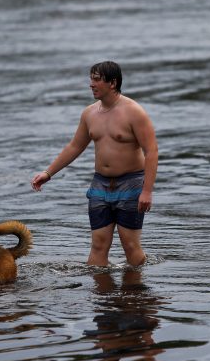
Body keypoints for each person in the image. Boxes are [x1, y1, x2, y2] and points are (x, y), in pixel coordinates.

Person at [31, 61, 158, 267]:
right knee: (98, 246)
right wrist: (48, 172)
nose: (91, 84)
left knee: (130, 247)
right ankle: (100, 296)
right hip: (100, 185)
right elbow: (75, 146)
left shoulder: (134, 112)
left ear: (113, 83)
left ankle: (137, 295)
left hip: (131, 184)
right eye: (91, 79)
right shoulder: (89, 113)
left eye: (97, 79)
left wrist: (147, 191)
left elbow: (151, 152)